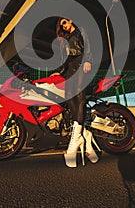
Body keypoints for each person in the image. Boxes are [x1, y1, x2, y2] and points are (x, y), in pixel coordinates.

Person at [55, 17, 99, 167]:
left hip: (81, 63)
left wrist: (88, 60)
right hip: (70, 68)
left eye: (65, 23)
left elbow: (88, 46)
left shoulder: (81, 31)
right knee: (69, 97)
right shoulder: (66, 39)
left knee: (80, 97)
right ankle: (85, 134)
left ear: (71, 20)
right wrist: (60, 73)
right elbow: (66, 60)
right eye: (62, 25)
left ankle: (76, 138)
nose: (64, 26)